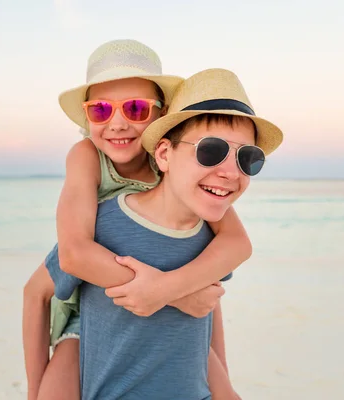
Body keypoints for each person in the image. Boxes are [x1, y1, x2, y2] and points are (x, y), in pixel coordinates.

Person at [23, 40, 255, 399]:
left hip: (171, 315)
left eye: (135, 108)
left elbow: (235, 244)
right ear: (87, 118)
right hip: (85, 310)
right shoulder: (86, 156)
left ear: (161, 118)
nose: (117, 124)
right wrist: (174, 295)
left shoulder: (179, 173)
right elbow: (74, 254)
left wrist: (170, 291)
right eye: (100, 110)